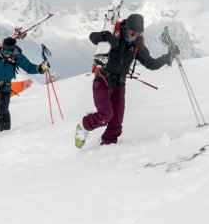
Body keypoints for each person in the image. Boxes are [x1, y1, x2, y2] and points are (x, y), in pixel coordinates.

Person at [76, 13, 177, 148]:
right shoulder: (114, 34)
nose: (133, 35)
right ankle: (84, 125)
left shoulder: (137, 46)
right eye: (131, 32)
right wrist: (106, 36)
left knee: (116, 125)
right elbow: (92, 37)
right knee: (105, 115)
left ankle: (106, 149)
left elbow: (151, 64)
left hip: (119, 84)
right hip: (102, 81)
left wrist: (169, 56)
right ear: (126, 27)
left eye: (137, 34)